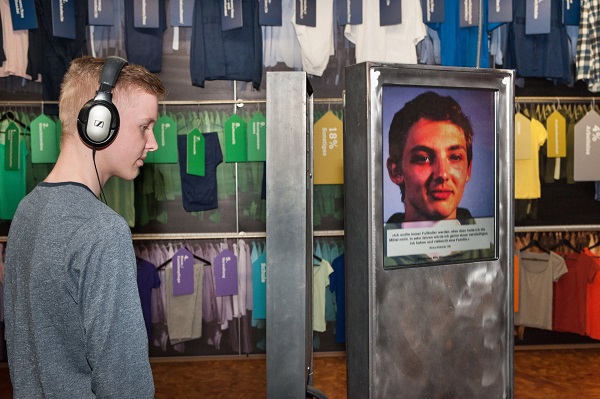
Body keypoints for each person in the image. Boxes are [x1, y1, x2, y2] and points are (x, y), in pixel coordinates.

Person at [3, 56, 166, 398]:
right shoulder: (103, 232)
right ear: (98, 122)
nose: (152, 143)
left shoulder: (26, 211)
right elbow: (125, 385)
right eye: (144, 126)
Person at [386, 91, 474, 225]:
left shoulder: (492, 246)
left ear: (468, 170)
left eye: (455, 157)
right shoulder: (374, 245)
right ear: (396, 171)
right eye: (423, 158)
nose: (442, 174)